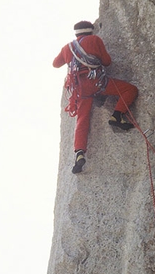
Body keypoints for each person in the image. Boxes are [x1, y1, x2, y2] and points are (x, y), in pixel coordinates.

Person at [53, 21, 138, 174]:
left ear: (76, 33)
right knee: (129, 90)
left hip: (80, 89)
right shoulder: (95, 40)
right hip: (96, 83)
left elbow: (55, 64)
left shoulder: (68, 47)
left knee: (82, 120)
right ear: (90, 31)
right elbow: (107, 61)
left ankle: (79, 153)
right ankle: (117, 116)